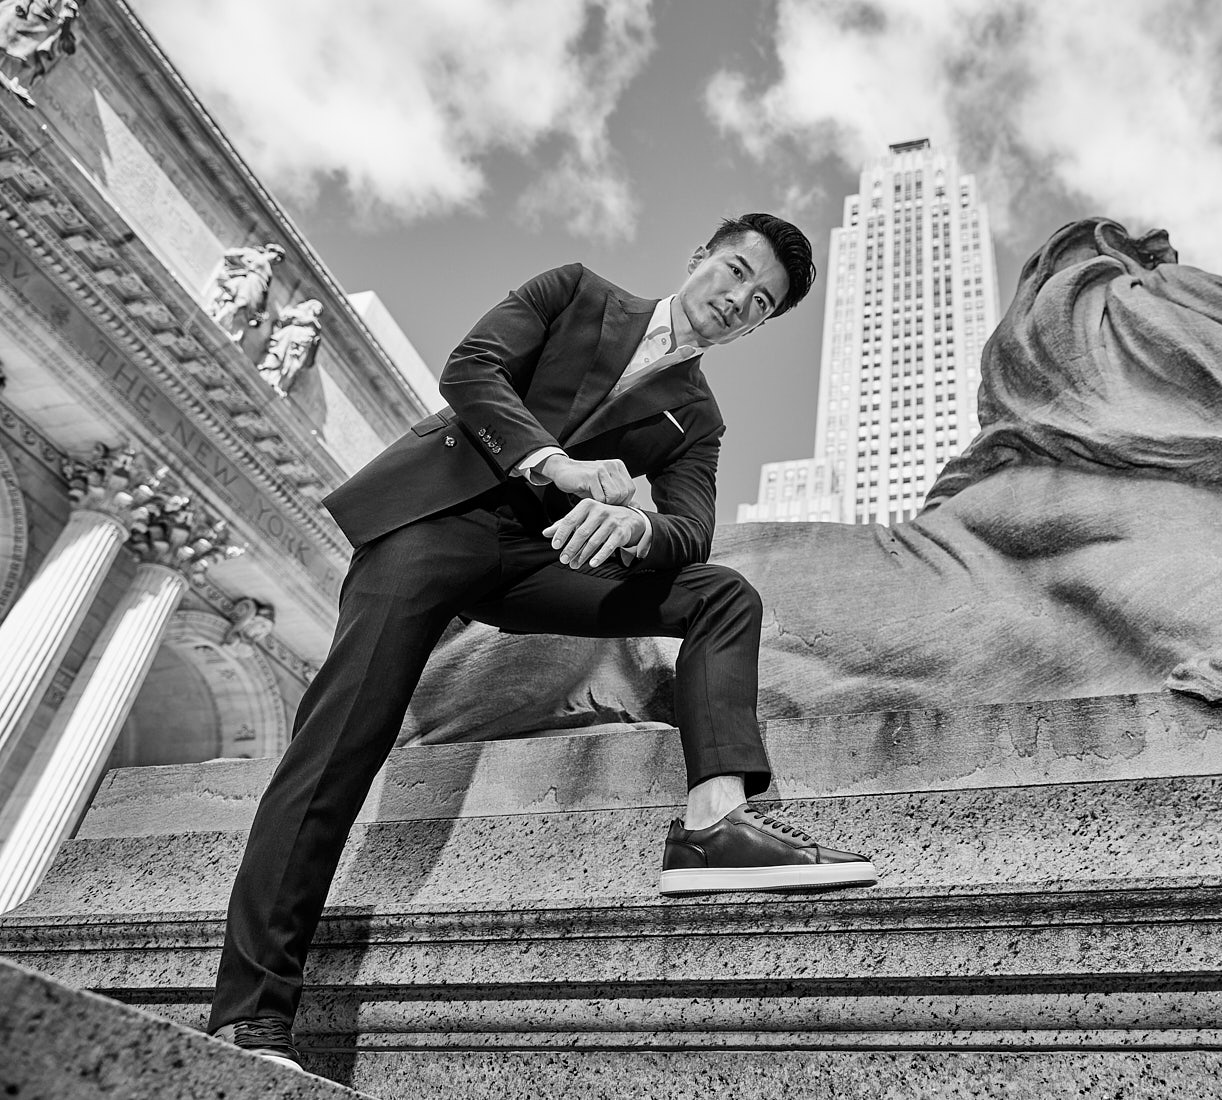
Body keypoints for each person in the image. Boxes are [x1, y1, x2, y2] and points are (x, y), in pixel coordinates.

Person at [208, 213, 877, 1072]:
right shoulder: (575, 292)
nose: (735, 300)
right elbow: (472, 369)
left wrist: (634, 533)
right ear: (699, 254)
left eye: (758, 303)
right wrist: (556, 467)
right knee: (336, 749)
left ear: (754, 326)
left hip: (543, 561)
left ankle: (714, 824)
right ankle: (250, 1016)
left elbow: (691, 531)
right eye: (735, 271)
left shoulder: (697, 418)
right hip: (433, 524)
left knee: (721, 596)